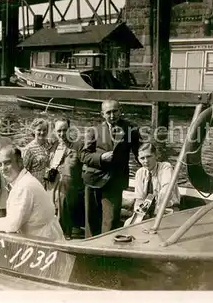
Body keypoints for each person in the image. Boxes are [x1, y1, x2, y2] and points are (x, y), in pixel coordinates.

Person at [0, 147, 65, 242]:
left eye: (7, 163)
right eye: (0, 164)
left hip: (46, 246)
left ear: (20, 162)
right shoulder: (24, 180)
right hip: (46, 240)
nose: (3, 168)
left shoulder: (23, 187)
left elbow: (12, 225)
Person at [79, 100, 141, 235]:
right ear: (102, 114)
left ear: (120, 110)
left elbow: (139, 153)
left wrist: (152, 168)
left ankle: (106, 249)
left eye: (115, 111)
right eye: (108, 112)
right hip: (93, 179)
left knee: (111, 220)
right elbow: (84, 155)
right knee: (92, 220)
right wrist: (101, 158)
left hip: (115, 180)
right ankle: (90, 249)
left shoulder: (131, 129)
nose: (112, 115)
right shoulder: (93, 131)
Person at [125, 143, 180, 224]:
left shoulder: (165, 167)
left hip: (168, 210)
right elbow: (140, 199)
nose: (146, 161)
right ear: (138, 159)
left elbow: (165, 192)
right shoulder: (140, 173)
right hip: (147, 212)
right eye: (142, 158)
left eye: (149, 156)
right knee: (128, 224)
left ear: (156, 155)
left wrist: (154, 212)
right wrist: (139, 215)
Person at [46, 118, 83, 240]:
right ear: (55, 131)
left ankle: (65, 236)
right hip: (53, 184)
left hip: (69, 185)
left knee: (64, 212)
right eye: (59, 131)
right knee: (52, 211)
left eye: (65, 130)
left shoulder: (77, 145)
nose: (62, 134)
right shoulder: (53, 145)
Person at [23, 118, 52, 186]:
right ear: (34, 130)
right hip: (35, 184)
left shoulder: (49, 145)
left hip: (48, 185)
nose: (42, 132)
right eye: (39, 130)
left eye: (44, 130)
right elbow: (24, 171)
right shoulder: (29, 149)